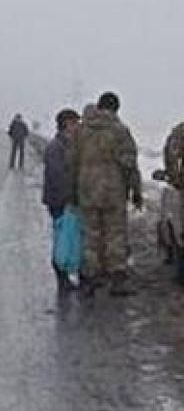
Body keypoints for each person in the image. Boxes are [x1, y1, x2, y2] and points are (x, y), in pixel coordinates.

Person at [69, 92, 142, 296]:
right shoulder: (119, 131)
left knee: (90, 235)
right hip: (113, 191)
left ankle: (91, 279)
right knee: (115, 234)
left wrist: (72, 192)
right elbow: (129, 164)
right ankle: (117, 279)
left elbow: (71, 163)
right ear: (115, 109)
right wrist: (136, 191)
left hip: (87, 191)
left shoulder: (80, 131)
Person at [43, 108, 81, 288]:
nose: (78, 126)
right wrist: (68, 198)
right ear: (66, 124)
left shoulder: (66, 145)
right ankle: (61, 273)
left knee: (67, 234)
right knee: (62, 236)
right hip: (59, 200)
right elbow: (57, 175)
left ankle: (65, 271)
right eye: (75, 123)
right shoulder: (56, 147)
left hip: (62, 198)